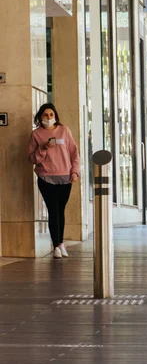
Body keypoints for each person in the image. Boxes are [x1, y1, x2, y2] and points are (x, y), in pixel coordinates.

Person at [28, 103, 80, 259]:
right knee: (53, 211)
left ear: (55, 116)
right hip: (46, 178)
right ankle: (56, 244)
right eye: (45, 115)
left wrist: (75, 172)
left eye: (51, 115)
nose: (49, 118)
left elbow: (74, 153)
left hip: (65, 177)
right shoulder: (36, 135)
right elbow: (31, 158)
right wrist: (43, 148)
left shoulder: (64, 131)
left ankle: (60, 243)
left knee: (60, 211)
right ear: (40, 117)